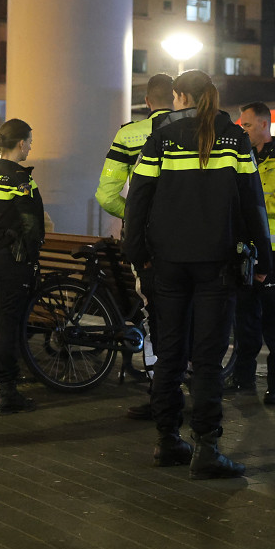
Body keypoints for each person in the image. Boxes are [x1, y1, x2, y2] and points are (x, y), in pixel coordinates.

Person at [124, 69, 271, 478]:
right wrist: (265, 262)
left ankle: (167, 440)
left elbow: (139, 199)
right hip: (218, 264)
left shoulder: (162, 138)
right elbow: (252, 203)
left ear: (180, 96)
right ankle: (207, 448)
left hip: (168, 263)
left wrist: (138, 254)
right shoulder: (235, 138)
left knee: (169, 354)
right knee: (206, 359)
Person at [95, 73, 174, 421]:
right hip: (191, 239)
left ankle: (160, 391)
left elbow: (106, 194)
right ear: (180, 98)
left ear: (147, 101)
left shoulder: (129, 135)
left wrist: (137, 216)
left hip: (145, 241)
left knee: (152, 309)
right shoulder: (201, 132)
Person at [227, 101, 275, 403]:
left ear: (263, 125)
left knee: (274, 319)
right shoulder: (243, 160)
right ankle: (243, 377)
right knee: (245, 316)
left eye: (246, 125)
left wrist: (245, 208)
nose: (242, 130)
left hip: (273, 253)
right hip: (246, 250)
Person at [0, 118, 46, 415]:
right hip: (13, 261)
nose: (30, 146)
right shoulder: (21, 179)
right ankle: (8, 392)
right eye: (29, 141)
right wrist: (32, 258)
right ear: (19, 143)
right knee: (9, 325)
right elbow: (32, 226)